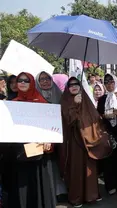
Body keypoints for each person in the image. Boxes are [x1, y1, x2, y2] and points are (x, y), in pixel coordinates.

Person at [5, 72, 56, 208]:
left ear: (32, 82)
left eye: (26, 80)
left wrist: (49, 140)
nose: (22, 83)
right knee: (22, 189)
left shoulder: (42, 102)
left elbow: (52, 128)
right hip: (20, 154)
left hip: (39, 155)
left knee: (39, 188)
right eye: (19, 80)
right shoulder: (11, 104)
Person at [60, 77, 112, 208]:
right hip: (74, 142)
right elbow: (67, 120)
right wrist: (74, 104)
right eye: (70, 85)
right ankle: (76, 197)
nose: (74, 86)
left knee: (89, 168)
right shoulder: (65, 100)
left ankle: (91, 195)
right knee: (76, 168)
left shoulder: (86, 100)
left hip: (89, 140)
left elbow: (94, 117)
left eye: (76, 84)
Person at [35, 71, 67, 201]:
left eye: (47, 78)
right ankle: (47, 192)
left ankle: (60, 191)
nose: (45, 81)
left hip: (58, 135)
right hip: (41, 138)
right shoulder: (34, 96)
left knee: (59, 163)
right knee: (45, 165)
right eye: (41, 79)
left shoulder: (59, 95)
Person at [96, 74, 117, 196]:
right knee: (108, 161)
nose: (109, 85)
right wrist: (105, 116)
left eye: (112, 82)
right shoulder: (102, 99)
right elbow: (98, 116)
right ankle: (110, 185)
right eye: (106, 82)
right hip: (107, 133)